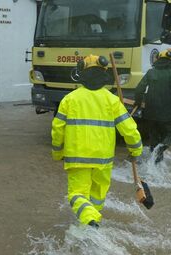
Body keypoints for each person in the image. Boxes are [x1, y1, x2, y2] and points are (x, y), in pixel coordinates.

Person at [51, 55, 143, 228]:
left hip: (76, 158)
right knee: (97, 196)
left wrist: (57, 152)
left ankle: (89, 220)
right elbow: (129, 129)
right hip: (103, 160)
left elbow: (57, 129)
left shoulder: (69, 99)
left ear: (82, 74)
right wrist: (136, 150)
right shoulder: (112, 100)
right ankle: (91, 223)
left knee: (77, 195)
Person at [133, 50, 171, 163]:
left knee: (154, 138)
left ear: (158, 60)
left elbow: (139, 89)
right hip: (167, 114)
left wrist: (138, 102)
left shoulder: (150, 72)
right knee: (170, 133)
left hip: (150, 113)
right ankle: (161, 148)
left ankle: (155, 163)